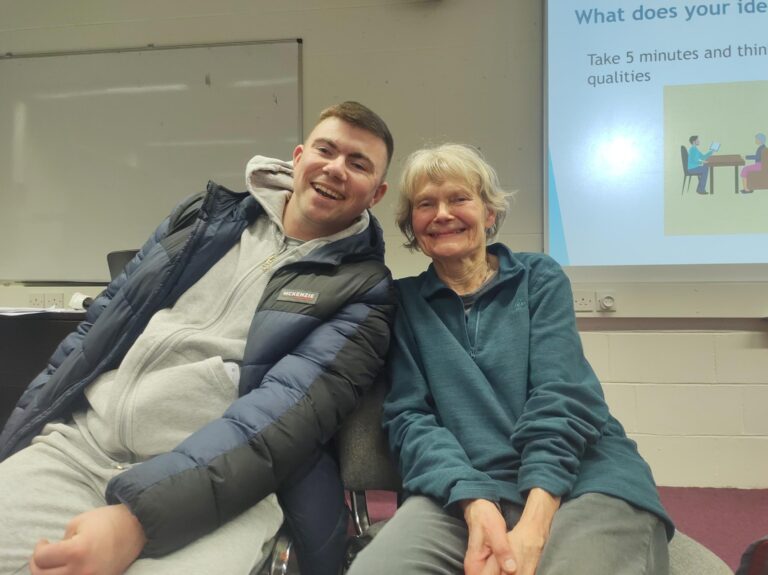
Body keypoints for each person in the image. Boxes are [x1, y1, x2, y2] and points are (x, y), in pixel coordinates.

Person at [0, 101, 395, 575]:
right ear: (298, 157)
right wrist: (21, 434)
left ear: (377, 193)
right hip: (80, 447)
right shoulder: (201, 219)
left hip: (226, 490)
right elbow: (94, 332)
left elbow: (280, 422)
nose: (335, 168)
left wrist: (137, 518)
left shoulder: (364, 291)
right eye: (325, 150)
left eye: (358, 164)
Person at [348, 143, 674, 575]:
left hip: (582, 479)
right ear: (413, 225)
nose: (442, 214)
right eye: (426, 204)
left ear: (488, 213)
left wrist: (534, 526)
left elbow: (562, 397)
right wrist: (474, 502)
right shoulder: (403, 303)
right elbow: (410, 419)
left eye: (459, 198)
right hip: (462, 489)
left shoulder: (539, 278)